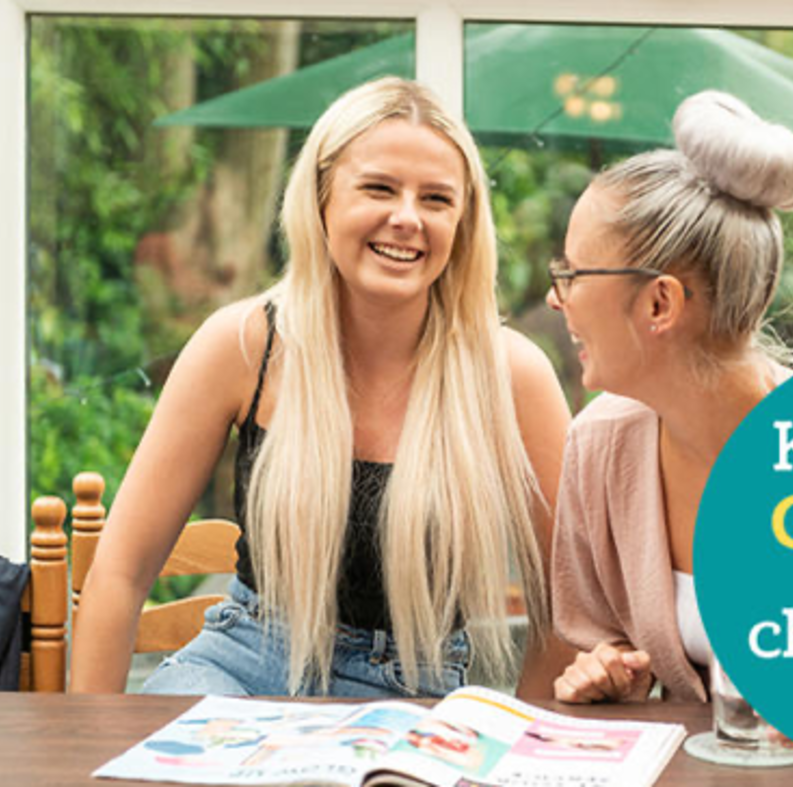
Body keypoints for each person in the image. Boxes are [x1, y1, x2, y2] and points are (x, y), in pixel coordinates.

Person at [70, 77, 572, 698]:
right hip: (238, 666)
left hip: (414, 692)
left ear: (463, 222)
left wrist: (520, 744)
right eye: (379, 188)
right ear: (321, 197)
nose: (407, 218)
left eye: (437, 199)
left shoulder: (512, 376)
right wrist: (86, 748)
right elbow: (119, 575)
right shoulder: (243, 345)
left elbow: (568, 611)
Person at [547, 90, 793, 703]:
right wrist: (610, 672)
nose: (557, 298)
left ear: (659, 304)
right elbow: (599, 639)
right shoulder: (599, 444)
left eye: (573, 274)